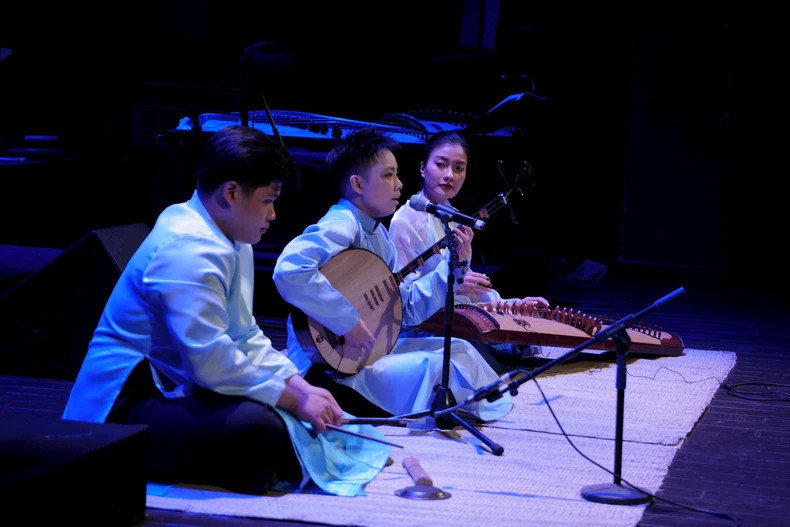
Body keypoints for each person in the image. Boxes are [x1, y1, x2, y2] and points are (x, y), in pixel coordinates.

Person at [61, 125, 390, 497]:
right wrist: (295, 399)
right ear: (232, 192)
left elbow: (245, 334)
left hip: (176, 386)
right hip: (121, 409)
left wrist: (298, 384)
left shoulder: (230, 236)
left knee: (280, 415)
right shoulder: (187, 246)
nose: (273, 214)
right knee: (258, 426)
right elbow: (210, 359)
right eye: (268, 200)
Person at [272, 126, 513, 424]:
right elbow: (291, 269)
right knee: (435, 367)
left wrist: (449, 265)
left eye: (397, 174)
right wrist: (347, 320)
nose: (399, 185)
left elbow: (405, 308)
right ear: (358, 184)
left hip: (363, 352)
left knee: (459, 350)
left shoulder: (379, 235)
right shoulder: (342, 223)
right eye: (388, 175)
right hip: (330, 362)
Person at [389, 130, 549, 373]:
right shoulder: (405, 220)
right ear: (423, 168)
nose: (449, 175)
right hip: (424, 326)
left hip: (457, 317)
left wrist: (512, 306)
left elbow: (467, 292)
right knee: (489, 365)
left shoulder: (453, 219)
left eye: (458, 168)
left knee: (523, 341)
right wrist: (450, 284)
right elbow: (402, 297)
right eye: (441, 164)